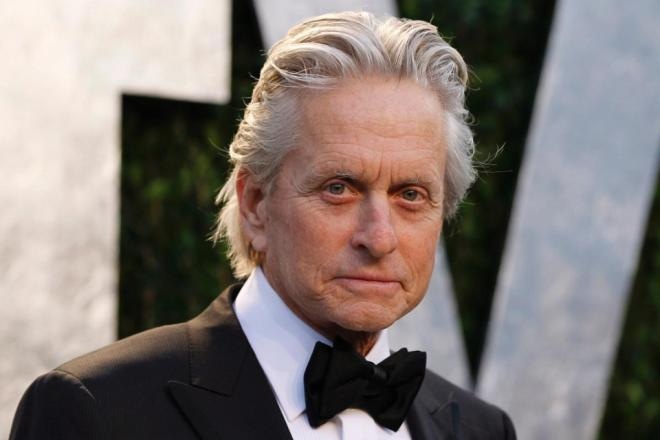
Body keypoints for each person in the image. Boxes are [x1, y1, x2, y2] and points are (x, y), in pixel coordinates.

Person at [10, 11, 516, 440]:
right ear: (255, 204)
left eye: (410, 195)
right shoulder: (96, 411)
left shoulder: (482, 430)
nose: (379, 237)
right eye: (338, 188)